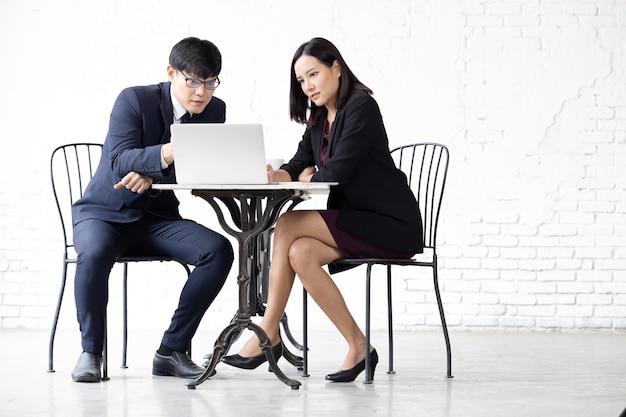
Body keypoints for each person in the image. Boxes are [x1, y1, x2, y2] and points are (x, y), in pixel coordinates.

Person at [221, 37, 423, 382]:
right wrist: (279, 174)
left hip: (390, 223)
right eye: (301, 80)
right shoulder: (318, 119)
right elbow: (300, 163)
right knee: (300, 252)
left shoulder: (361, 107)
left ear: (336, 68)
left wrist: (311, 173)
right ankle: (359, 346)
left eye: (313, 74)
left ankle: (268, 330)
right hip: (356, 221)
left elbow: (338, 171)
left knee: (286, 224)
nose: (308, 86)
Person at [70, 37, 234, 382]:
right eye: (193, 81)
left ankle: (171, 350)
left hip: (156, 219)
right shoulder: (134, 99)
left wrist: (152, 170)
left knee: (218, 250)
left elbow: (200, 169)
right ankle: (91, 353)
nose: (202, 92)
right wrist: (167, 154)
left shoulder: (215, 110)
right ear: (171, 73)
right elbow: (118, 159)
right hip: (104, 213)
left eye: (210, 82)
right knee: (95, 253)